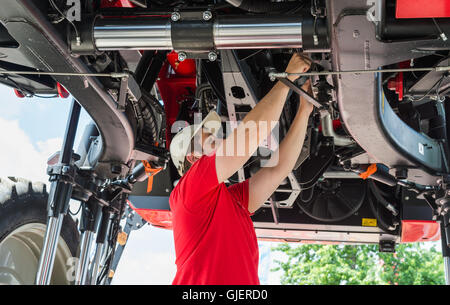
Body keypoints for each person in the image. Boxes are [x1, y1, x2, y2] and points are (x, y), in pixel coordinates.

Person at [168, 53, 313, 285]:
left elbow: (273, 165)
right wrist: (291, 84)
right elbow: (260, 146)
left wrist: (300, 103)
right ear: (192, 157)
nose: (216, 138)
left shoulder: (227, 200)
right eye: (208, 137)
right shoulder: (188, 191)